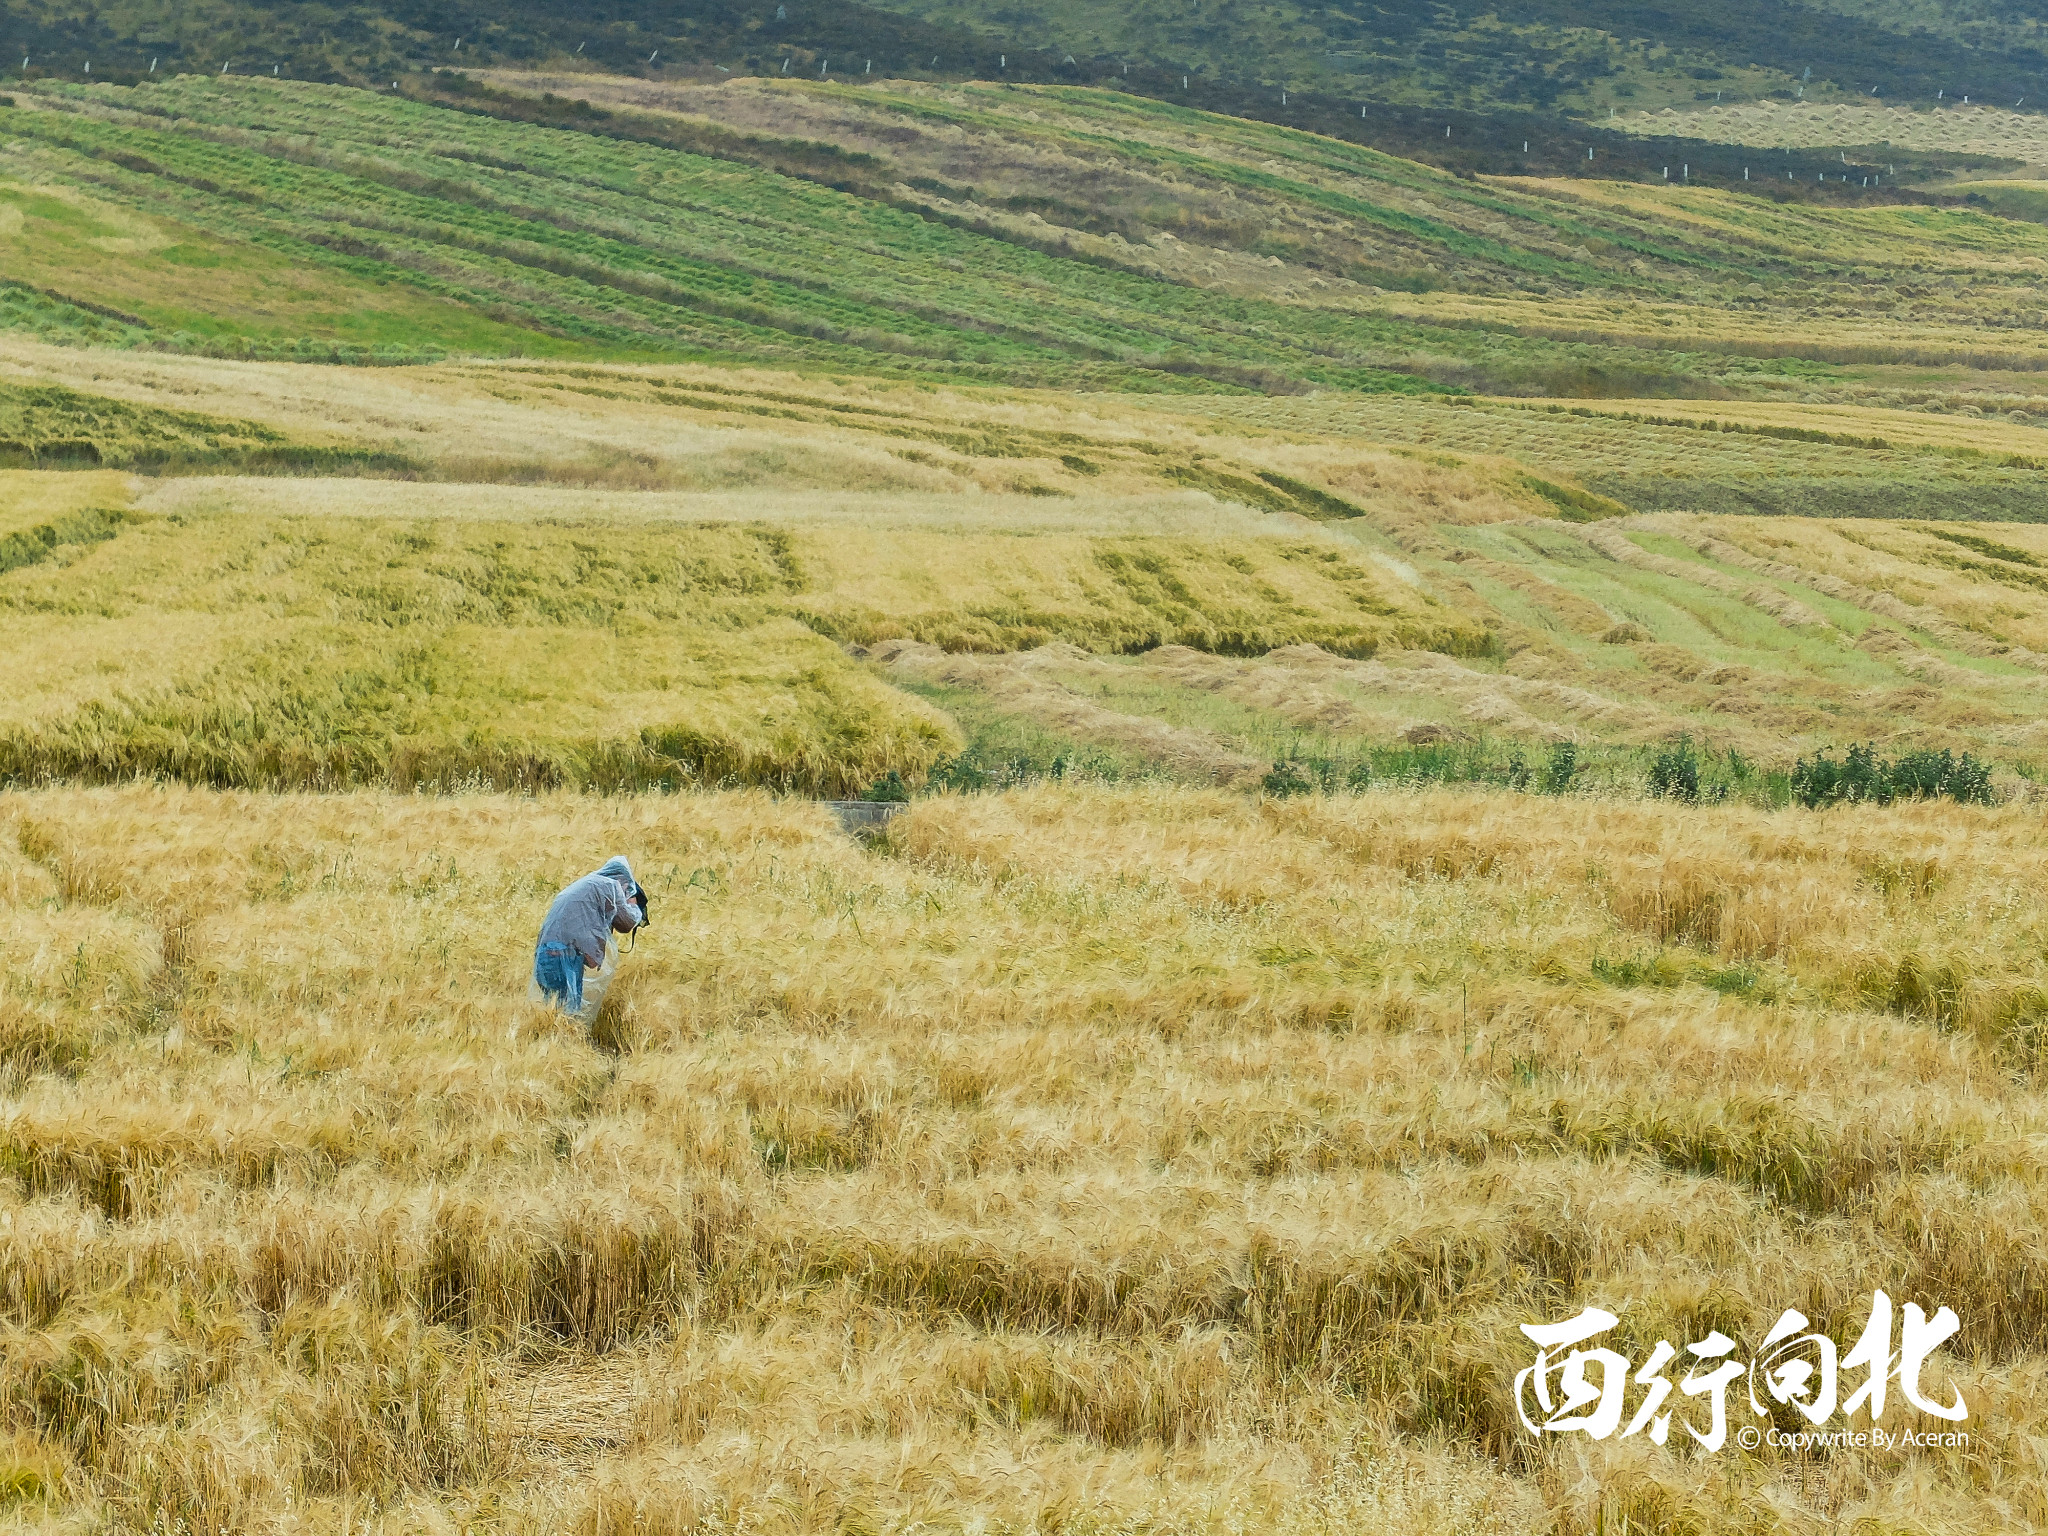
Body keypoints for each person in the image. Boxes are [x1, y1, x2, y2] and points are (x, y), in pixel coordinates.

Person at [534, 856, 647, 1018]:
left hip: (544, 955)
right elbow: (626, 922)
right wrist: (633, 904)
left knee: (550, 1013)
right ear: (622, 879)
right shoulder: (610, 887)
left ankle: (544, 1041)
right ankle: (564, 1041)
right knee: (568, 1016)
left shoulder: (586, 884)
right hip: (567, 956)